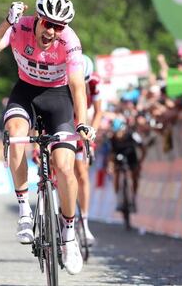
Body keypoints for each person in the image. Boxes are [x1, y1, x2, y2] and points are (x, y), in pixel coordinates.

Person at [0, 0, 95, 275]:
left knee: (65, 167)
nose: (51, 31)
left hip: (59, 99)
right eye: (47, 23)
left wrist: (82, 121)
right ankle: (24, 211)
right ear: (37, 20)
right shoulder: (19, 27)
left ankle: (68, 235)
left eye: (58, 26)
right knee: (15, 134)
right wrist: (6, 23)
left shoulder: (70, 42)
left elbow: (78, 85)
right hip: (25, 93)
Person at [74, 54, 103, 244]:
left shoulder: (94, 82)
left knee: (82, 173)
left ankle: (84, 221)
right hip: (67, 119)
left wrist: (92, 135)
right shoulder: (65, 76)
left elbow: (99, 111)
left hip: (83, 125)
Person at [108, 118, 146, 213]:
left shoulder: (132, 134)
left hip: (131, 156)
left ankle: (133, 196)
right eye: (116, 133)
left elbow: (143, 148)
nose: (118, 135)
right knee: (116, 175)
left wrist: (140, 161)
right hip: (118, 156)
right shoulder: (112, 138)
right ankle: (118, 199)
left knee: (135, 175)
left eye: (119, 132)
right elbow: (111, 154)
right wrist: (111, 165)